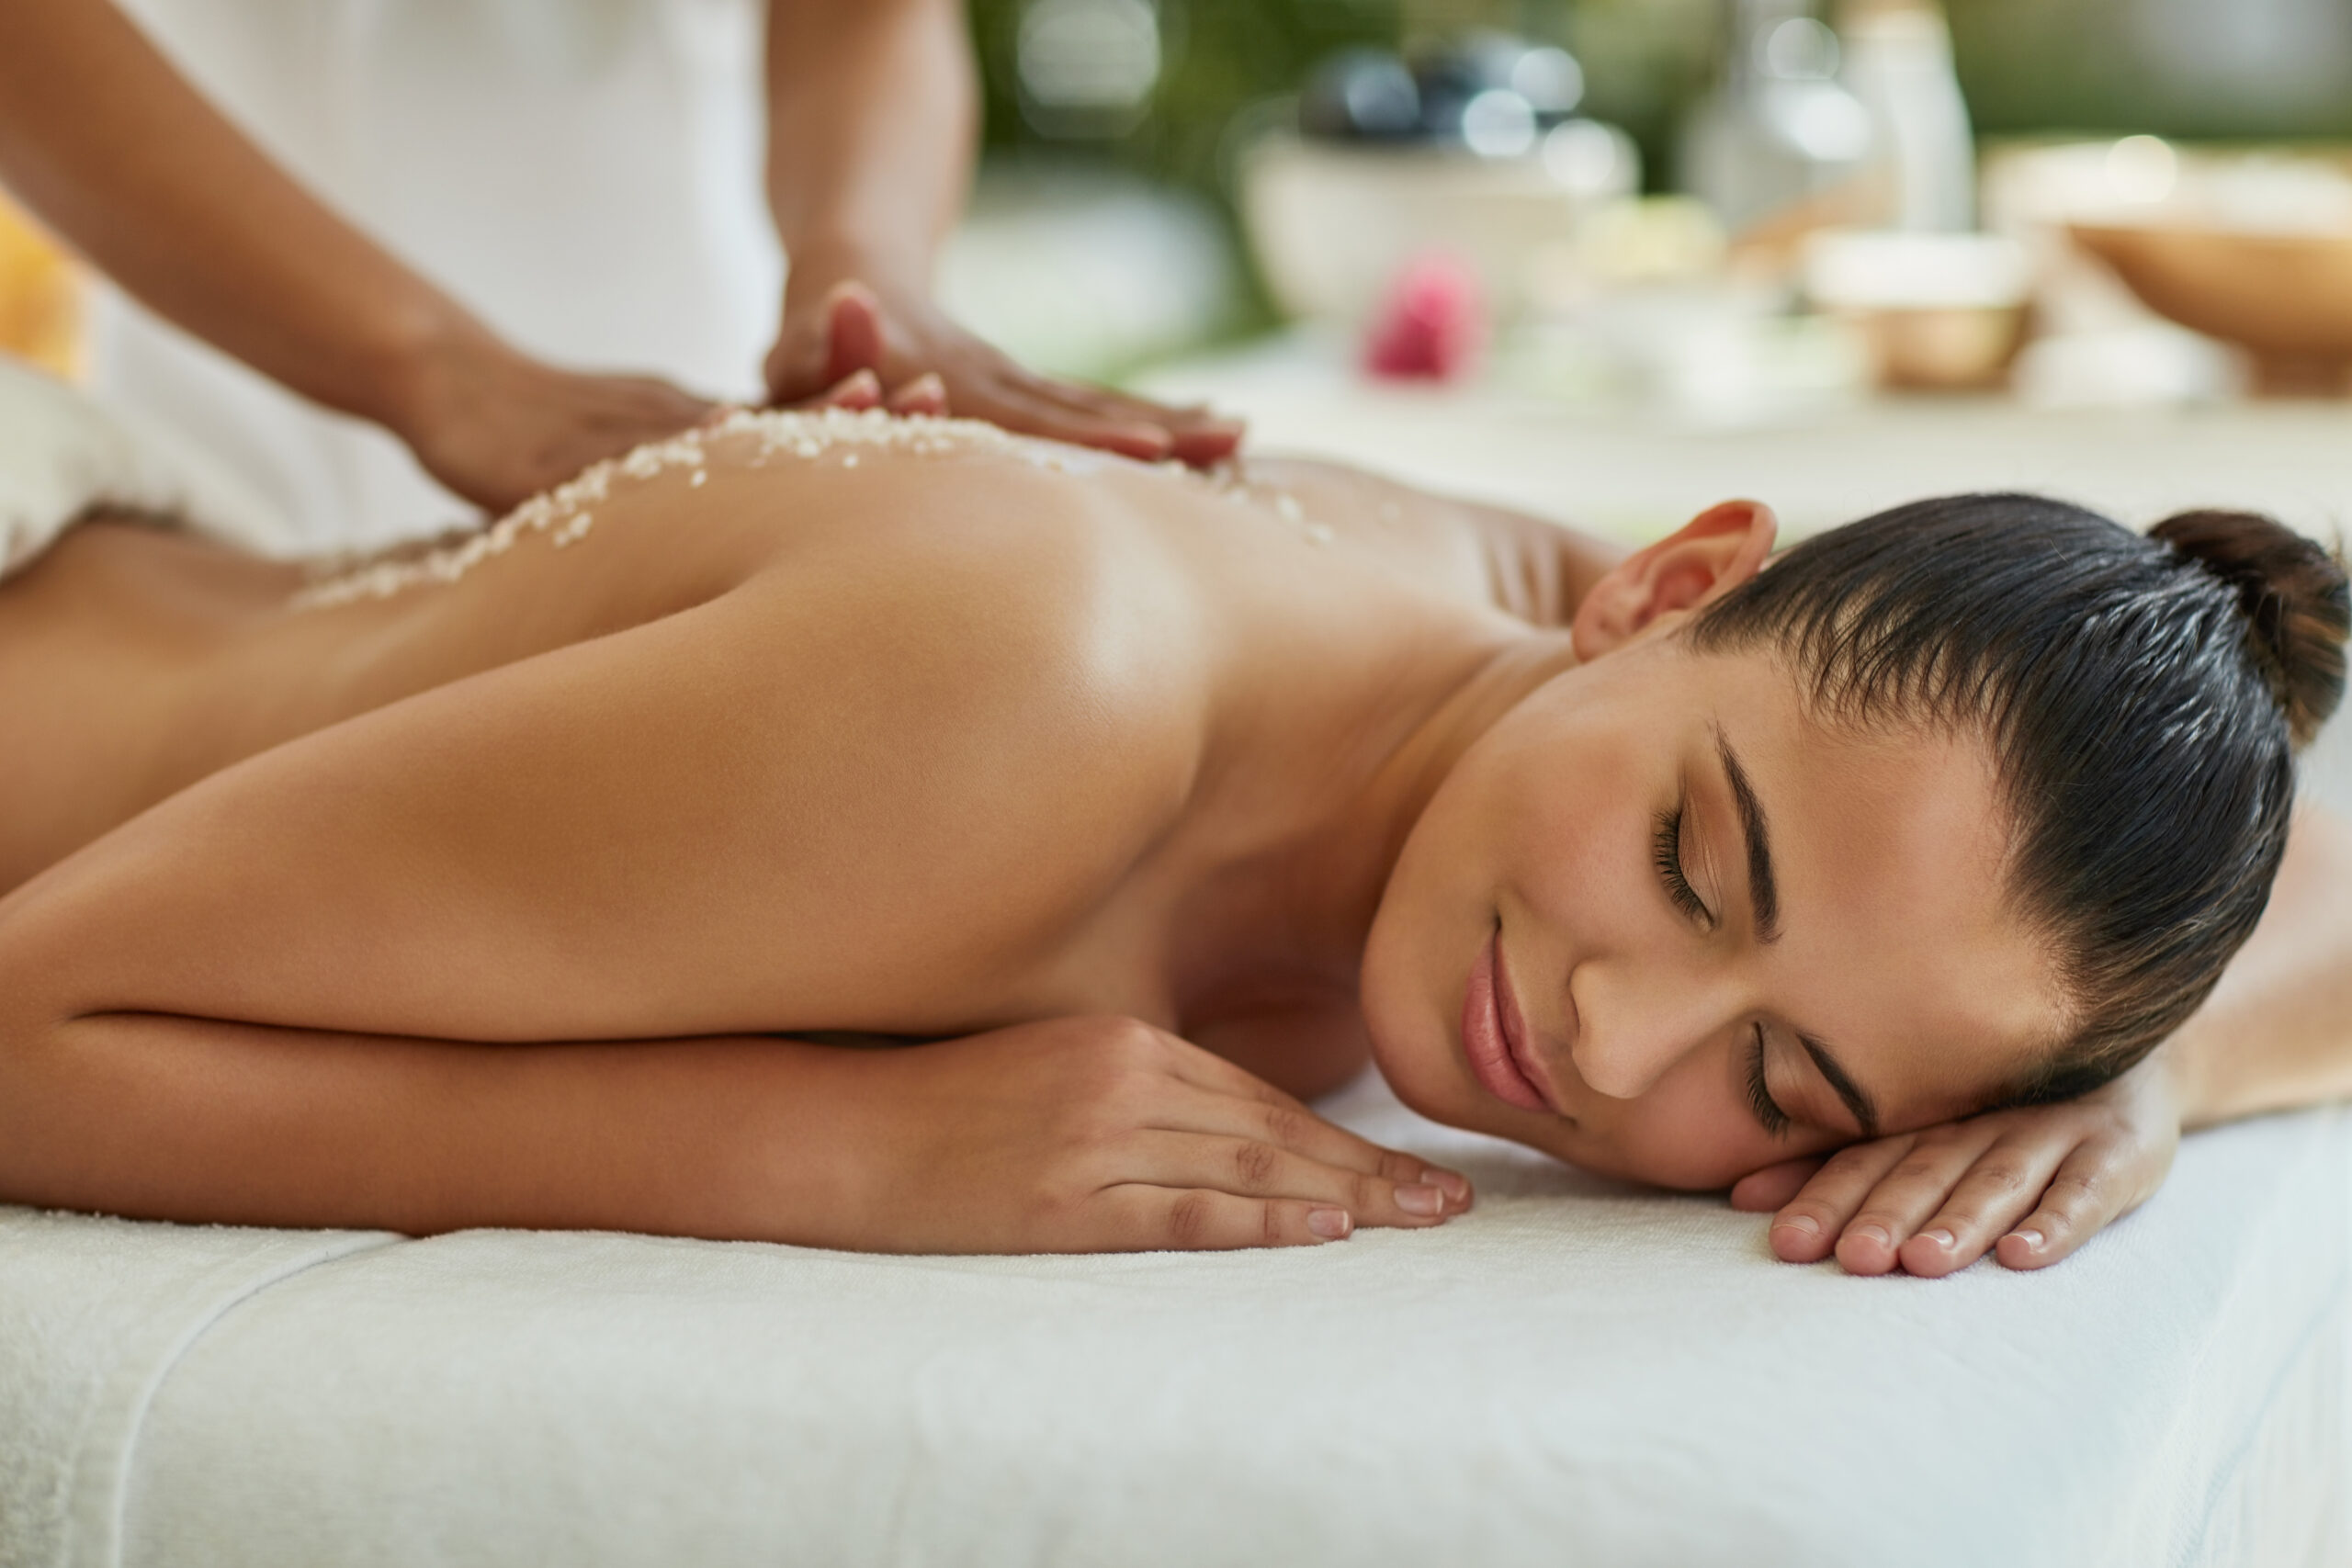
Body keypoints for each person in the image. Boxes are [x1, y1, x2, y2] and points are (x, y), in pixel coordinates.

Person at [0, 389, 2346, 1272]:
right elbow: (33, 1019)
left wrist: (2116, 1077)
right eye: (1691, 864)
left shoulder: (1529, 665)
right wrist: (829, 1155)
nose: (1618, 1039)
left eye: (1787, 1084)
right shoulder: (1025, 695)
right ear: (1669, 582)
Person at [0, 0, 1238, 556]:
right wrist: (427, 367)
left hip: (698, 416)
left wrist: (865, 268)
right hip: (233, 410)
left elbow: (865, 14)